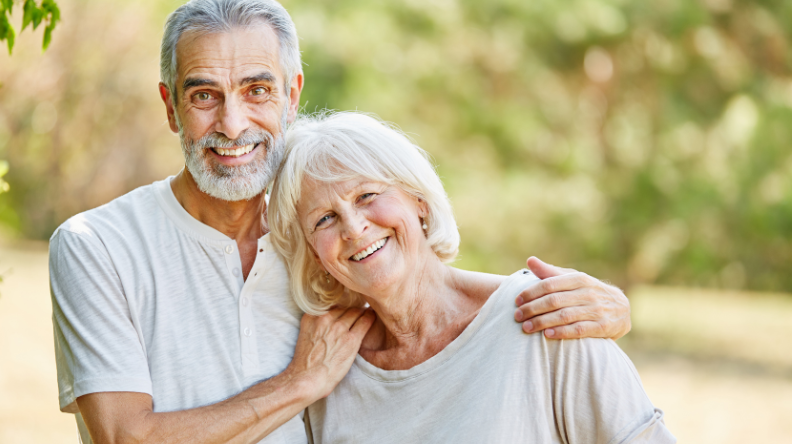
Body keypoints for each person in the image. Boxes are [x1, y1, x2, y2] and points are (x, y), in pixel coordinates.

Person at [49, 0, 632, 444]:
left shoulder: (320, 236)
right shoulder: (96, 246)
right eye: (204, 96)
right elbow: (126, 437)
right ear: (170, 105)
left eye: (257, 90)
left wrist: (572, 302)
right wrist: (298, 384)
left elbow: (424, 292)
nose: (231, 124)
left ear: (292, 94)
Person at [268, 111, 675, 443]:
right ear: (315, 256)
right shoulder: (328, 372)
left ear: (420, 204)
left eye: (367, 196)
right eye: (325, 218)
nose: (354, 228)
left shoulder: (547, 315)